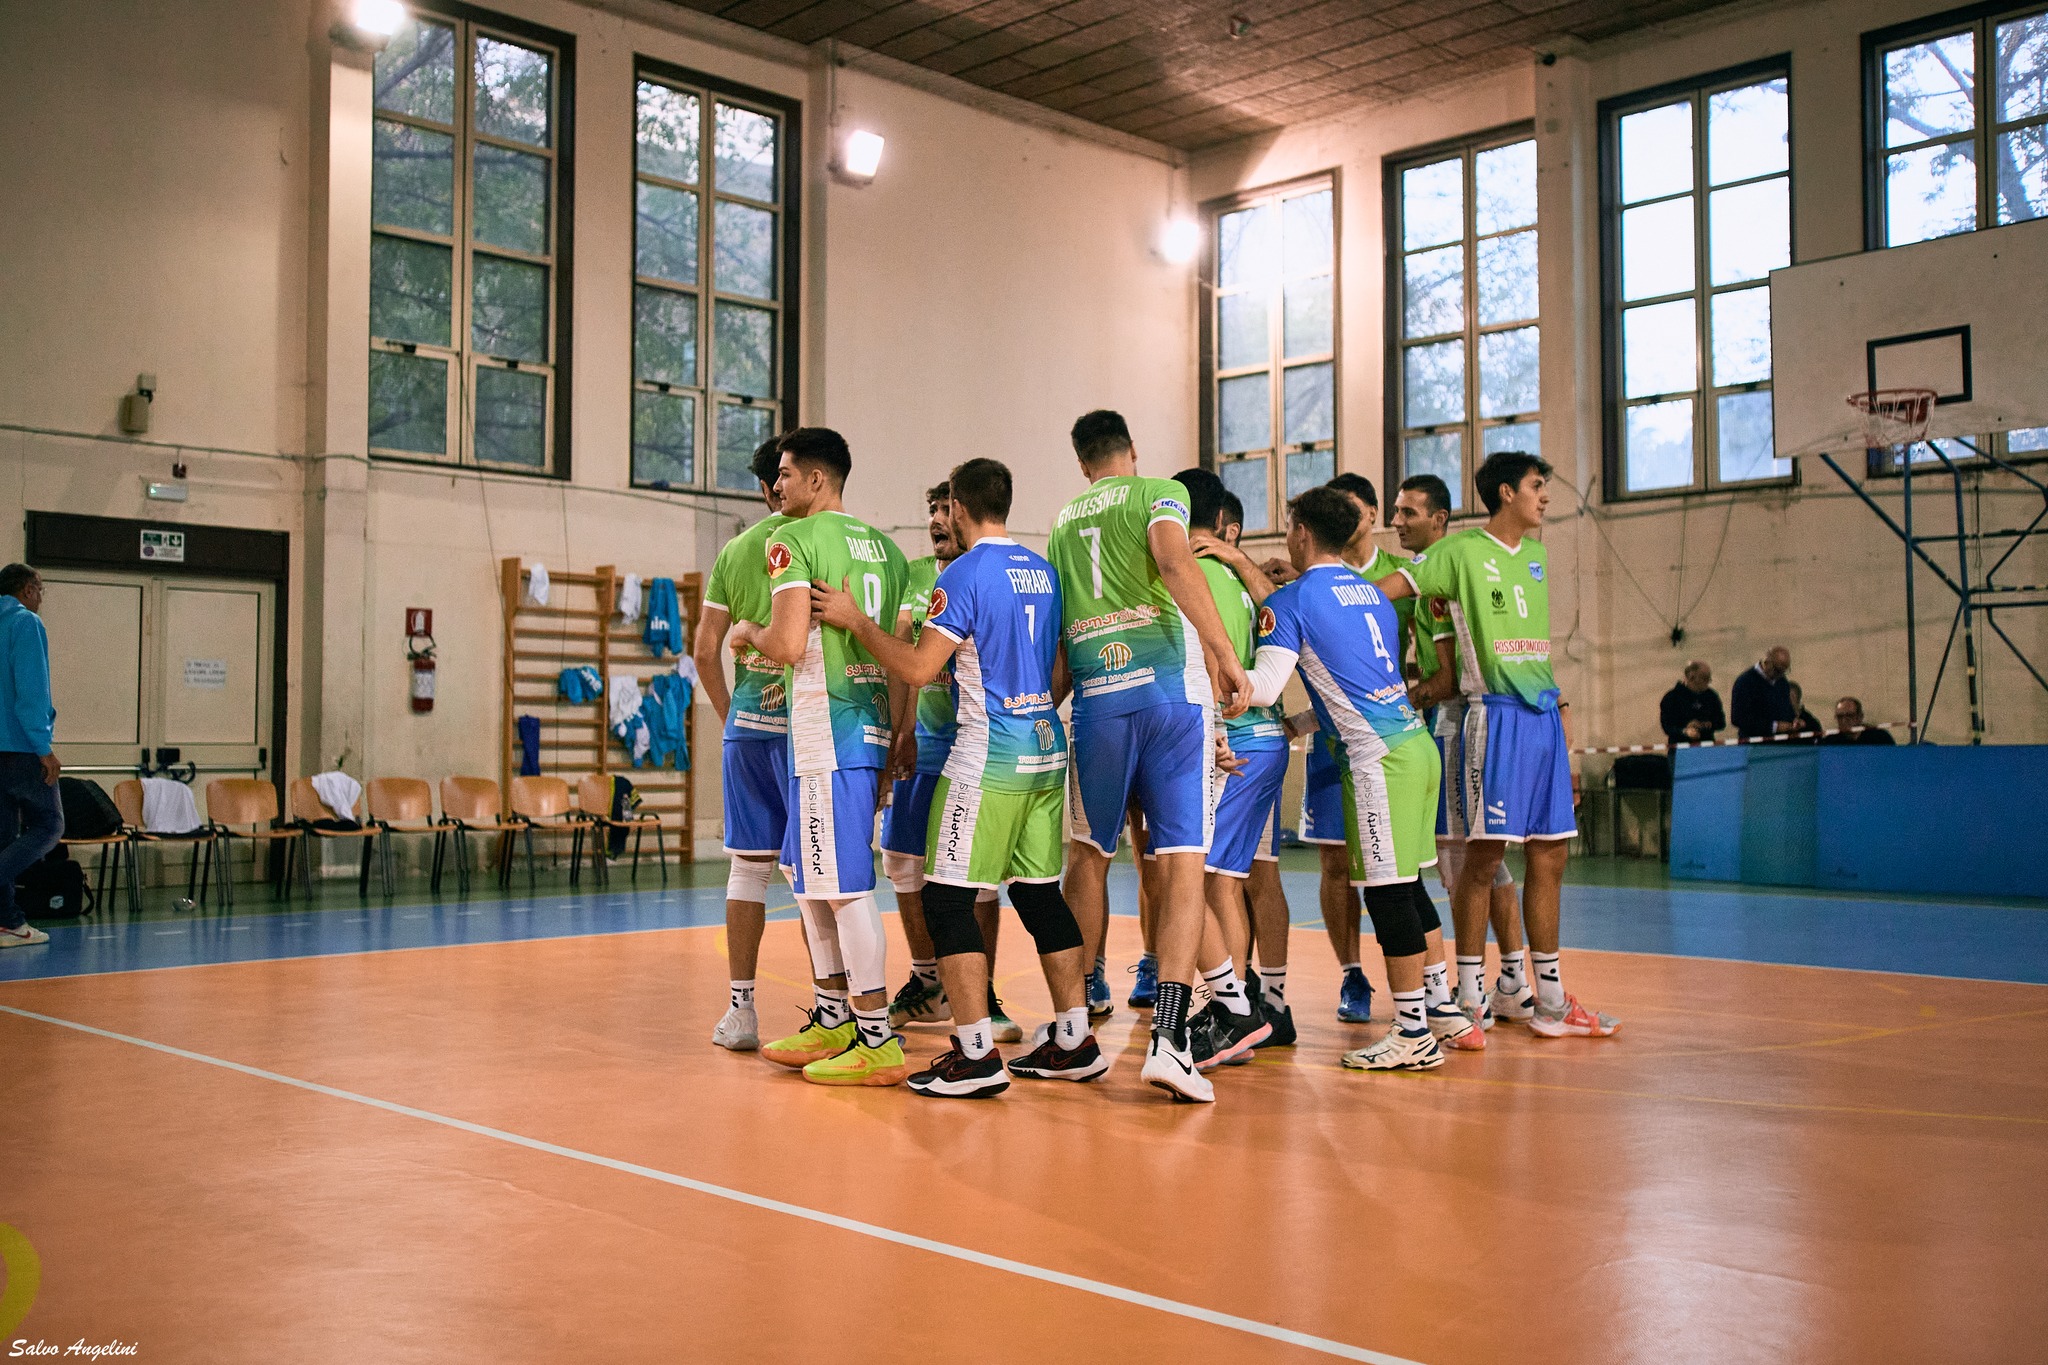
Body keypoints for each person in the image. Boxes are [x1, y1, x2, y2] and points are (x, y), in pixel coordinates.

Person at [815, 458, 1106, 1097]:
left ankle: (975, 1055)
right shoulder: (1043, 570)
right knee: (1039, 896)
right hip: (1044, 749)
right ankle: (1075, 1038)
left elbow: (920, 669)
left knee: (947, 899)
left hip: (987, 756)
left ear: (959, 505)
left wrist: (856, 621)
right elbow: (1060, 663)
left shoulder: (964, 574)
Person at [1370, 450, 1619, 1040]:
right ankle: (1470, 996)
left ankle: (1549, 1000)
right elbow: (1381, 590)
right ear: (1506, 492)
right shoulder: (1457, 553)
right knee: (1482, 859)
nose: (1545, 496)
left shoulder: (1536, 556)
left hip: (1542, 718)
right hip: (1494, 718)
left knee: (1550, 855)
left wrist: (1563, 714)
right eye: (1537, 485)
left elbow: (1535, 645)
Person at [1049, 410, 1249, 1104]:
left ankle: (1074, 1028)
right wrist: (1225, 653)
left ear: (1082, 463)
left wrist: (1043, 707)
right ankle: (1170, 1041)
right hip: (1169, 697)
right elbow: (1173, 559)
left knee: (1088, 857)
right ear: (1132, 450)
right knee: (1182, 864)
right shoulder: (1162, 491)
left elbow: (1061, 632)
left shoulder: (1062, 521)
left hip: (1097, 702)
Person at [1242, 488, 1476, 1070]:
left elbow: (1263, 688)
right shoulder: (1370, 593)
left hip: (1379, 762)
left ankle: (1413, 1032)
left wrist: (1214, 678)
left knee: (1387, 894)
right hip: (1415, 746)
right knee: (1410, 886)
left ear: (1300, 532)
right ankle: (1441, 1008)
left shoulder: (1292, 602)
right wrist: (1300, 722)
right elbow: (1353, 684)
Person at [731, 428, 912, 1087]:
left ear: (816, 479)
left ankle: (876, 1037)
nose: (775, 485)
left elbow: (784, 644)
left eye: (784, 473)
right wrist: (895, 737)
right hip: (865, 725)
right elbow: (895, 652)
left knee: (843, 889)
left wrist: (746, 630)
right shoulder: (889, 552)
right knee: (806, 877)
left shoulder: (794, 539)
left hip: (825, 730)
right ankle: (835, 1016)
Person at [1389, 473, 1522, 1042]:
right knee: (1488, 859)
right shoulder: (1472, 564)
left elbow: (1445, 679)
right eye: (1395, 511)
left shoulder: (1440, 578)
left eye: (1409, 512)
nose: (1397, 521)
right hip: (1481, 720)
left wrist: (1396, 699)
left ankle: (1462, 995)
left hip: (1455, 725)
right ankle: (1513, 981)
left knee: (1460, 865)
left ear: (1440, 519)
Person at [881, 483, 1014, 1043]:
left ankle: (982, 993)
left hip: (980, 744)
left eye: (945, 510)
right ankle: (929, 982)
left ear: (963, 515)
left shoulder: (987, 574)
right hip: (925, 743)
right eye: (931, 510)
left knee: (977, 877)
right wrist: (901, 731)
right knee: (901, 860)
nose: (937, 520)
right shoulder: (914, 577)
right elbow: (905, 657)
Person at [1172, 467, 1285, 1061]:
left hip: (1235, 739)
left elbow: (1208, 661)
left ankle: (1233, 1014)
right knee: (1228, 879)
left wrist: (1212, 729)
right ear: (1221, 520)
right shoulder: (1237, 575)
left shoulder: (1196, 574)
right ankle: (1236, 1007)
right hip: (1259, 737)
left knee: (1210, 880)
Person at [693, 440, 794, 1049]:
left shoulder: (735, 551)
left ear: (763, 488)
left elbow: (705, 649)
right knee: (819, 876)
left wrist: (732, 714)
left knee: (748, 870)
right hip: (815, 727)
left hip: (753, 725)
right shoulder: (836, 540)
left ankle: (742, 1012)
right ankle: (841, 1012)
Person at [1296, 472, 1386, 1026]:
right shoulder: (1307, 583)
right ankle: (1352, 972)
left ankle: (1425, 987)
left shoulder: (1392, 582)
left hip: (1384, 741)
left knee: (1391, 868)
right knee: (1334, 861)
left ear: (1370, 514)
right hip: (1329, 743)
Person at [0, 564, 59, 950]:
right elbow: (31, 693)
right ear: (27, 589)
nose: (41, 597)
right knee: (49, 825)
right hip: (19, 748)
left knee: (4, 837)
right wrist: (44, 748)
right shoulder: (25, 623)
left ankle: (7, 922)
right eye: (40, 589)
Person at [1730, 647, 1795, 741]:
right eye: (1777, 670)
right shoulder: (1745, 682)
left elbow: (1787, 710)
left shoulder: (1782, 682)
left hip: (1780, 742)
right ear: (1768, 662)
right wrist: (1773, 727)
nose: (1780, 675)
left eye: (1784, 671)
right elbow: (1738, 718)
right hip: (1754, 743)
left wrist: (1793, 722)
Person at [1659, 661, 1725, 748]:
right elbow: (1667, 726)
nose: (1709, 681)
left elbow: (1721, 723)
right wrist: (1685, 731)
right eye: (1705, 678)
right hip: (1680, 748)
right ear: (1691, 677)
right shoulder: (1671, 698)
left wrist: (1706, 724)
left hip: (1707, 746)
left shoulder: (1711, 696)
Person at [1821, 696, 1897, 745]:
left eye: (1849, 716)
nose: (1844, 720)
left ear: (1860, 717)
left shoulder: (1880, 737)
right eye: (1840, 717)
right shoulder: (1830, 742)